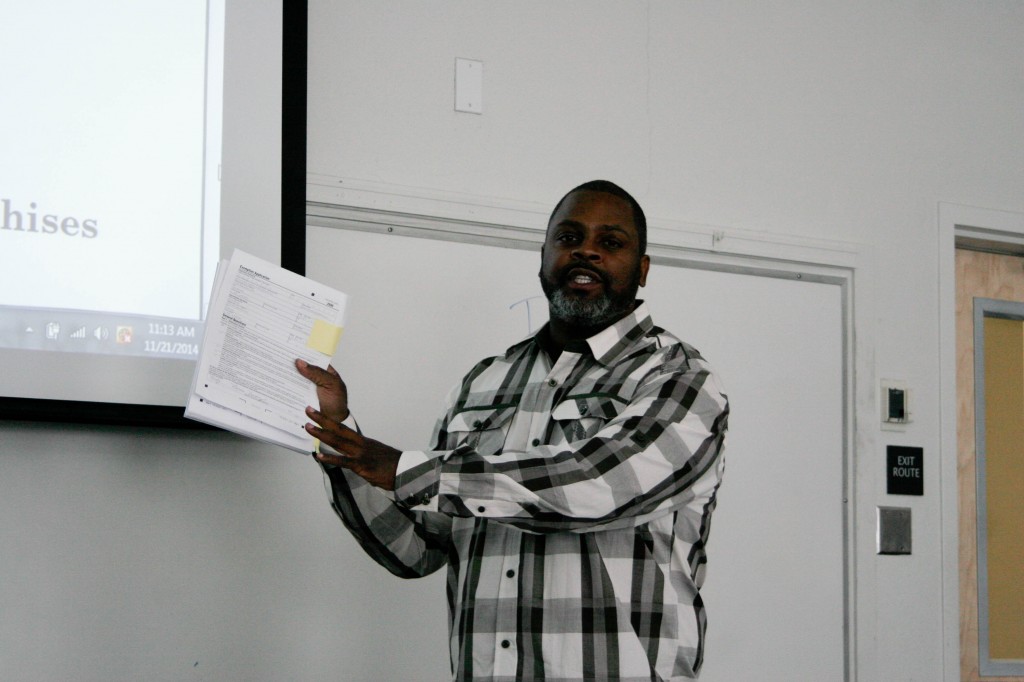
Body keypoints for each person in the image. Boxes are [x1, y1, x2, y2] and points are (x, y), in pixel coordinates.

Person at [296, 180, 729, 681]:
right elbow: (417, 551)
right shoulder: (484, 381)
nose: (585, 250)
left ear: (643, 269)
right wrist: (339, 442)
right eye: (568, 238)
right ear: (542, 257)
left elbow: (596, 487)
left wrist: (404, 469)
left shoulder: (679, 378)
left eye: (610, 242)